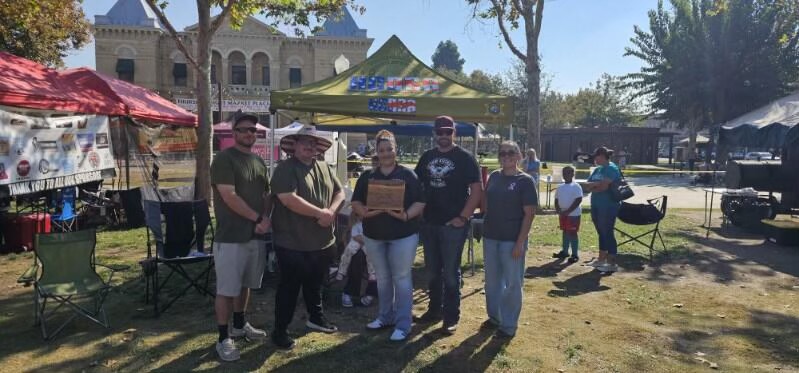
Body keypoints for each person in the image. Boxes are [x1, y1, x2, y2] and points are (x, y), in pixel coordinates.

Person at [270, 124, 345, 350]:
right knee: (289, 288)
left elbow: (340, 192)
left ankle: (316, 318)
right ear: (294, 145)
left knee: (315, 284)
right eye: (304, 142)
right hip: (292, 242)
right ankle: (280, 330)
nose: (309, 147)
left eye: (313, 143)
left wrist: (331, 211)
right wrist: (320, 213)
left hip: (322, 242)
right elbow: (287, 198)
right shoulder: (285, 168)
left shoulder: (324, 167)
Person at [352, 130, 425, 342]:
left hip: (403, 235)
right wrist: (364, 211)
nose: (386, 154)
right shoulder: (367, 176)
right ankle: (385, 317)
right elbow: (356, 202)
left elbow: (421, 202)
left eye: (389, 149)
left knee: (401, 278)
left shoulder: (408, 175)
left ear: (395, 150)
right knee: (382, 279)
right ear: (377, 152)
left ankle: (403, 324)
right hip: (374, 235)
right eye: (382, 150)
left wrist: (406, 215)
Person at [210, 112, 271, 362]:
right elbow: (229, 196)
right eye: (244, 129)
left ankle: (239, 324)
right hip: (230, 236)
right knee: (226, 289)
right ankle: (223, 338)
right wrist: (258, 219)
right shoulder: (224, 159)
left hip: (255, 236)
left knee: (245, 284)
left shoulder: (258, 161)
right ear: (234, 133)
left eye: (253, 130)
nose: (250, 133)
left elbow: (267, 195)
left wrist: (265, 219)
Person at [414, 115, 483, 334]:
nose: (444, 136)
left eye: (448, 132)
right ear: (434, 133)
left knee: (451, 274)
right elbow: (416, 186)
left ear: (454, 133)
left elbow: (477, 190)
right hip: (430, 224)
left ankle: (451, 316)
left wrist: (463, 217)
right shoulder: (426, 157)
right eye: (440, 132)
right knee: (433, 272)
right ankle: (434, 311)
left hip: (454, 225)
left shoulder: (465, 158)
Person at [480, 141, 536, 338]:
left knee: (512, 283)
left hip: (512, 240)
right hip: (491, 238)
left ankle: (509, 325)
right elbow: (486, 203)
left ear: (519, 155)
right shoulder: (494, 176)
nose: (506, 156)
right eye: (502, 153)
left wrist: (520, 243)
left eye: (511, 152)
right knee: (492, 281)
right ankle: (495, 317)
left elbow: (529, 214)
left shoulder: (525, 181)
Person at [584, 146, 622, 273]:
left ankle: (611, 262)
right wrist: (595, 185)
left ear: (601, 156)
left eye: (596, 156)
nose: (594, 159)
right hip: (596, 204)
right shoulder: (597, 170)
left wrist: (594, 186)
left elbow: (603, 187)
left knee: (607, 232)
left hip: (608, 206)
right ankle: (601, 259)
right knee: (601, 232)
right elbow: (587, 186)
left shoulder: (611, 168)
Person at [336, 211, 377, 307]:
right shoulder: (358, 223)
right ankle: (350, 291)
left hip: (377, 242)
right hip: (361, 243)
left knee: (377, 256)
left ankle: (372, 292)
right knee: (356, 256)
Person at [552, 165, 582, 263]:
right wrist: (558, 209)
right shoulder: (560, 186)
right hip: (563, 214)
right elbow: (556, 200)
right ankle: (565, 251)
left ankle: (575, 254)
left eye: (569, 172)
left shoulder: (576, 186)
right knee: (565, 231)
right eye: (564, 173)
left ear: (573, 174)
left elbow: (578, 200)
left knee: (572, 232)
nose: (566, 175)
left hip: (573, 214)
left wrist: (568, 211)